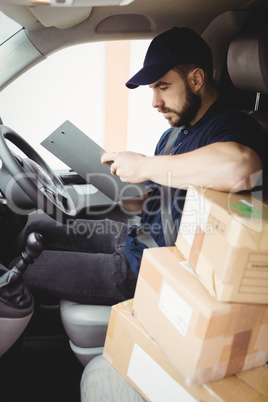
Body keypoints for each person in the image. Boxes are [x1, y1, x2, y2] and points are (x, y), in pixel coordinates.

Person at [18, 27, 264, 305]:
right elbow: (154, 203)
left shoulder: (233, 126)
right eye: (152, 90)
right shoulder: (172, 135)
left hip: (151, 268)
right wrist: (123, 186)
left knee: (23, 267)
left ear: (196, 79)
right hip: (136, 237)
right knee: (34, 229)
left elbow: (240, 169)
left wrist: (146, 165)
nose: (155, 102)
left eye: (163, 87)